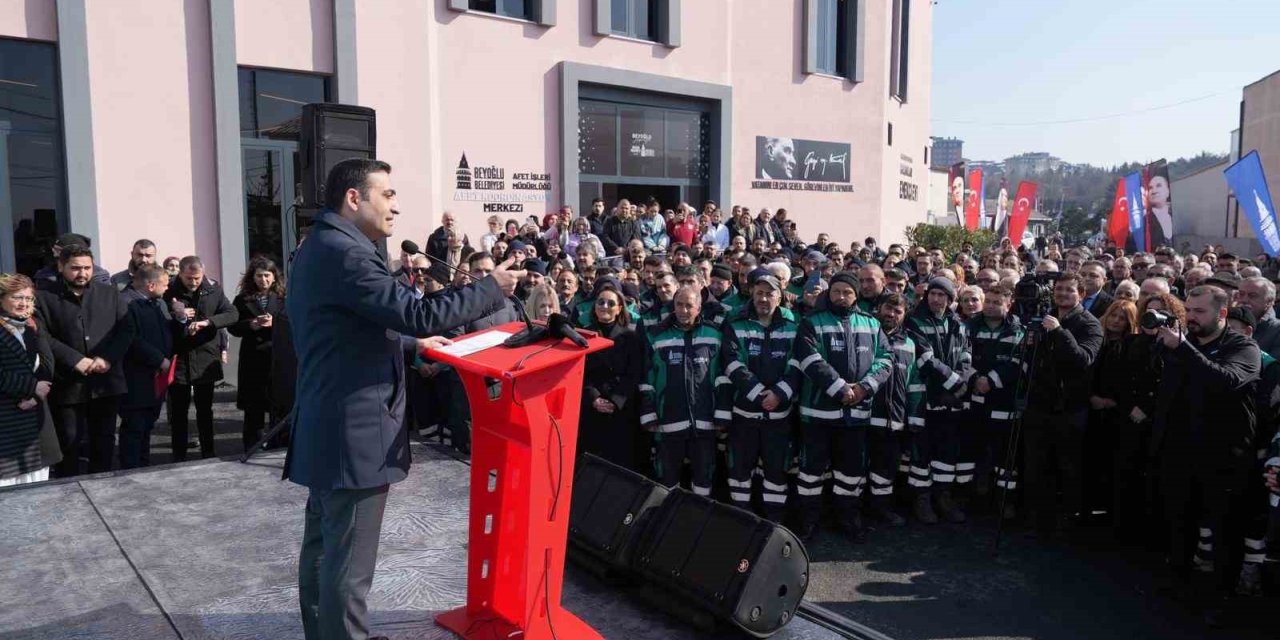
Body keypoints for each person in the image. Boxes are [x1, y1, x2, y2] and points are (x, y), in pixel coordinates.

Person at [286, 158, 523, 640]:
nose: (396, 204)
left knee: (324, 548)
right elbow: (415, 312)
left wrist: (415, 347)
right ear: (355, 198)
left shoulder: (324, 245)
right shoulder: (347, 252)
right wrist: (489, 288)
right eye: (387, 194)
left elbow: (351, 327)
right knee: (348, 562)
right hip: (354, 430)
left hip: (329, 420)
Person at [1151, 286, 1259, 624]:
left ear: (1222, 314)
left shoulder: (1243, 348)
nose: (1191, 318)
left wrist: (1182, 348)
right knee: (1181, 520)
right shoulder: (1185, 343)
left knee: (1224, 531)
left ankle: (1221, 599)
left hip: (1223, 456)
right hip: (1180, 451)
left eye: (1199, 312)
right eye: (1189, 311)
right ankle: (1179, 581)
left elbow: (1225, 381)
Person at [793, 272, 892, 542]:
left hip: (856, 415)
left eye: (847, 292)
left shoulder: (871, 324)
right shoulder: (812, 322)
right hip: (818, 414)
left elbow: (885, 359)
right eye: (836, 291)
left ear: (856, 295)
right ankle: (809, 521)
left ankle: (848, 519)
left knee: (850, 473)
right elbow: (809, 358)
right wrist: (840, 389)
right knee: (811, 473)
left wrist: (864, 388)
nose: (841, 297)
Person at [35, 245, 130, 476]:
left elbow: (126, 329)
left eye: (87, 268)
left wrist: (106, 358)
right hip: (67, 382)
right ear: (61, 266)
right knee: (69, 440)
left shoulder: (110, 294)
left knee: (104, 439)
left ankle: (103, 483)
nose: (82, 273)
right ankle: (68, 489)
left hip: (105, 381)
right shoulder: (43, 297)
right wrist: (75, 359)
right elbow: (41, 334)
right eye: (75, 268)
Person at [1022, 272, 1104, 536]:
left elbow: (1083, 359)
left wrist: (1059, 331)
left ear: (1080, 294)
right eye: (1059, 289)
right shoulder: (1045, 317)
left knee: (1068, 467)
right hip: (1041, 405)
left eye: (1069, 290)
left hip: (1070, 408)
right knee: (1038, 464)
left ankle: (1067, 521)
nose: (1063, 294)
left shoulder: (1090, 324)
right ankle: (1038, 519)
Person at [720, 270, 801, 523]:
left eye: (769, 294)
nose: (763, 299)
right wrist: (758, 394)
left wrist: (779, 394)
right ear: (752, 295)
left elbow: (798, 364)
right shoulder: (735, 324)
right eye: (759, 293)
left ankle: (773, 520)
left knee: (776, 470)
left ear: (780, 297)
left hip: (779, 415)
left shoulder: (793, 326)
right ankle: (741, 518)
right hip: (744, 414)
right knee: (740, 470)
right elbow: (732, 363)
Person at [640, 286, 724, 497]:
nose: (684, 310)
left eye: (689, 305)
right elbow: (647, 378)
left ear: (699, 308)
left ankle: (700, 521)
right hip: (668, 421)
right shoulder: (656, 336)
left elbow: (723, 378)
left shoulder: (714, 334)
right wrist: (649, 413)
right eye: (679, 304)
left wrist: (722, 413)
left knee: (703, 479)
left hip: (705, 421)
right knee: (667, 480)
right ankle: (667, 523)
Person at [904, 277, 975, 524]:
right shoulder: (915, 321)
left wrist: (960, 385)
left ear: (950, 299)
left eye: (941, 295)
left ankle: (943, 496)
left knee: (947, 450)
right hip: (925, 397)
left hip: (952, 400)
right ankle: (921, 499)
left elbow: (967, 357)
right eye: (932, 294)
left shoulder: (959, 324)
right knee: (922, 451)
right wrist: (954, 383)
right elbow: (924, 359)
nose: (936, 299)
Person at [164, 256, 238, 461]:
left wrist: (208, 322)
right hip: (179, 358)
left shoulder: (213, 289)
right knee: (178, 412)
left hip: (205, 356)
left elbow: (232, 314)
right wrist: (176, 316)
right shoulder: (168, 291)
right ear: (180, 273)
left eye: (197, 278)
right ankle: (178, 454)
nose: (194, 282)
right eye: (189, 278)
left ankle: (208, 451)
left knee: (205, 410)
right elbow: (160, 322)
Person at [966, 284, 1025, 519]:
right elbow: (960, 355)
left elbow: (1020, 362)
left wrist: (991, 380)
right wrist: (975, 379)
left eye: (996, 302)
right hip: (975, 399)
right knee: (977, 450)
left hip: (1004, 402)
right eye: (988, 301)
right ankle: (977, 499)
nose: (990, 306)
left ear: (1008, 304)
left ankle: (1005, 501)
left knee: (1005, 456)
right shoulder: (969, 327)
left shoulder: (1019, 330)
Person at [866, 293, 923, 527]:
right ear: (879, 308)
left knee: (887, 467)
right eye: (888, 309)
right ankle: (857, 510)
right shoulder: (867, 334)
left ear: (904, 315)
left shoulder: (909, 343)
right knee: (856, 466)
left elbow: (914, 383)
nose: (891, 314)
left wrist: (914, 416)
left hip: (894, 418)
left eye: (897, 311)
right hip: (864, 416)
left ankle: (881, 509)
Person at [578, 277, 644, 469]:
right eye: (600, 302)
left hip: (620, 410)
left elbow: (634, 373)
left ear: (619, 309)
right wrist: (594, 398)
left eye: (610, 303)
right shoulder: (583, 336)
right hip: (592, 409)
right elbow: (580, 372)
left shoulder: (630, 337)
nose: (604, 306)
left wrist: (615, 400)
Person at [0, 273, 58, 487]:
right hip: (7, 418)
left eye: (28, 298)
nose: (24, 303)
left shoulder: (33, 326)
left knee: (38, 486)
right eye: (17, 297)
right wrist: (32, 387)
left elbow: (47, 362)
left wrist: (36, 394)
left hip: (35, 415)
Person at [117, 265, 174, 469]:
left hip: (153, 377)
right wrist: (159, 359)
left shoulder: (153, 302)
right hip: (135, 378)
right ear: (151, 285)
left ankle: (143, 466)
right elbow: (131, 340)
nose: (167, 288)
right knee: (134, 427)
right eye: (165, 284)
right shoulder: (126, 303)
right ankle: (131, 470)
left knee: (146, 425)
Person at [228, 257, 286, 452]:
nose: (263, 280)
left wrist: (274, 323)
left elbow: (293, 322)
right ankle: (252, 446)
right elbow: (233, 327)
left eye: (267, 275)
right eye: (259, 276)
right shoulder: (242, 299)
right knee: (254, 407)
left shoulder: (283, 296)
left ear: (274, 277)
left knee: (278, 403)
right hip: (252, 359)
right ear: (252, 277)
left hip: (276, 356)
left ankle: (279, 443)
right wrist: (251, 324)